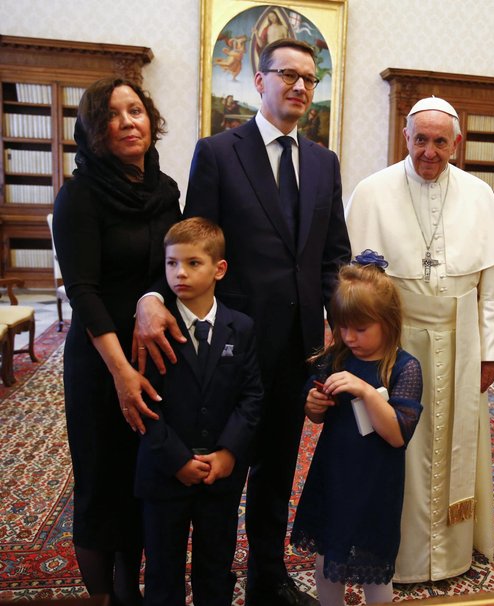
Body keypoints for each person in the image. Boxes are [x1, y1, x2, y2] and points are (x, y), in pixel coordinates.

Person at [134, 38, 350, 606]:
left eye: (309, 79)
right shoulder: (218, 152)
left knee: (277, 471)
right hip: (231, 346)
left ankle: (267, 579)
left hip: (299, 347)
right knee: (225, 466)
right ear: (259, 81)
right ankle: (212, 582)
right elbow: (195, 247)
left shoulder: (324, 163)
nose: (300, 86)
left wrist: (342, 329)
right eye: (287, 75)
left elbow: (333, 255)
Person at [344, 96, 494, 582]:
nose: (429, 152)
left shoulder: (479, 195)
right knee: (397, 441)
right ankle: (397, 555)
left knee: (457, 443)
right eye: (420, 139)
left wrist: (491, 353)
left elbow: (492, 289)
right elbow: (353, 284)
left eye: (441, 142)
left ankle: (452, 552)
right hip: (395, 341)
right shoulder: (372, 192)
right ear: (406, 137)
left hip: (462, 342)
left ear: (457, 143)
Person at [52, 77, 181, 605]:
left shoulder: (166, 190)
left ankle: (132, 594)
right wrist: (121, 371)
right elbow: (83, 291)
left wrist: (152, 297)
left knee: (142, 482)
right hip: (101, 361)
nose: (129, 122)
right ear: (93, 130)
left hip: (155, 356)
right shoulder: (79, 195)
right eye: (113, 114)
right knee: (102, 488)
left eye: (136, 110)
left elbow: (171, 266)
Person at [135, 218, 262, 606]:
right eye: (172, 263)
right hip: (164, 471)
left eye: (193, 263)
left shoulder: (241, 327)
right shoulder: (152, 329)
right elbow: (144, 401)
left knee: (215, 564)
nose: (180, 273)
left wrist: (228, 452)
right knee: (162, 569)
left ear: (219, 269)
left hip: (220, 475)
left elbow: (252, 397)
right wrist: (176, 460)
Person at [290, 251, 423, 606]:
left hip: (375, 484)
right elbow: (315, 415)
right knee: (326, 563)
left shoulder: (404, 369)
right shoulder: (335, 359)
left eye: (360, 329)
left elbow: (397, 434)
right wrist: (313, 405)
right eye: (341, 326)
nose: (349, 336)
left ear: (388, 321)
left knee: (372, 568)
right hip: (333, 475)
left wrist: (365, 391)